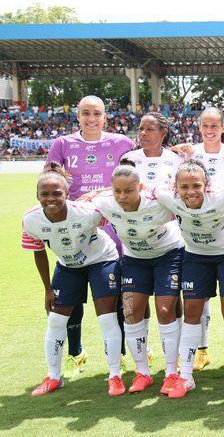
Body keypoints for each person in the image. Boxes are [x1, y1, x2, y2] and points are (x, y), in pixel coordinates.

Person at [45, 95, 135, 378]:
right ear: (78, 116)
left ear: (105, 116)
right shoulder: (62, 144)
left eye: (96, 113)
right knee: (72, 294)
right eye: (86, 113)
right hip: (74, 230)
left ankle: (119, 353)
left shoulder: (122, 143)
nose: (91, 118)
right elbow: (49, 181)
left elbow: (141, 171)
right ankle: (75, 351)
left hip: (113, 226)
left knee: (116, 293)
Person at [24, 163, 124, 396]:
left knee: (107, 319)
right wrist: (48, 289)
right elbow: (38, 250)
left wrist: (95, 194)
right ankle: (53, 377)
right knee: (56, 322)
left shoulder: (87, 212)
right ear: (37, 196)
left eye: (57, 193)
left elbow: (115, 210)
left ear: (67, 194)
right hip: (67, 266)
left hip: (102, 260)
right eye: (45, 194)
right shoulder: (30, 220)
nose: (51, 198)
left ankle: (115, 376)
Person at [153, 159, 224, 398]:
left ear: (206, 184)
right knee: (192, 312)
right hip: (195, 257)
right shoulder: (170, 199)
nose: (190, 192)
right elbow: (146, 188)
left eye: (196, 185)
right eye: (184, 187)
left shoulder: (223, 198)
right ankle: (186, 377)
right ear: (175, 187)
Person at [91, 160, 185, 395]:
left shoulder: (158, 204)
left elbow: (188, 205)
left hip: (168, 255)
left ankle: (172, 373)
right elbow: (80, 207)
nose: (122, 196)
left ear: (140, 187)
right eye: (117, 191)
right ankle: (143, 372)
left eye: (129, 190)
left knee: (165, 311)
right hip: (134, 260)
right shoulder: (105, 203)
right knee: (131, 311)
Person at [187, 107, 224, 372]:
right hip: (198, 237)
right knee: (200, 300)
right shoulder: (190, 155)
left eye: (214, 126)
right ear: (199, 128)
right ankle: (201, 350)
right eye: (204, 126)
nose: (209, 130)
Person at [122, 112, 182, 187]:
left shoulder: (177, 160)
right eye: (141, 129)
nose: (143, 133)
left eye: (150, 129)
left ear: (163, 133)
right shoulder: (128, 159)